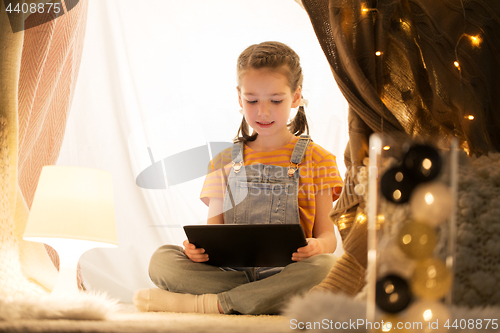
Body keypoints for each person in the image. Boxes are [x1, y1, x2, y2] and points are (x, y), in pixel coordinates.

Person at [133, 41, 343, 315]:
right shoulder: (223, 161)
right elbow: (213, 233)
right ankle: (261, 298)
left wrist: (318, 246)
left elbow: (329, 237)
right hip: (230, 272)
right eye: (252, 100)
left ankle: (211, 304)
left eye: (276, 100)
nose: (263, 111)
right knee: (161, 260)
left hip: (291, 270)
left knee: (328, 268)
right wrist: (196, 250)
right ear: (239, 97)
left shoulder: (319, 159)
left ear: (296, 96)